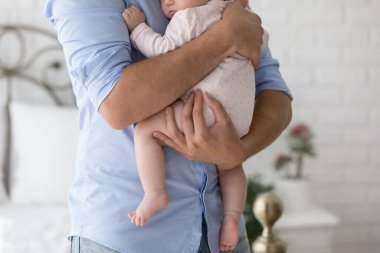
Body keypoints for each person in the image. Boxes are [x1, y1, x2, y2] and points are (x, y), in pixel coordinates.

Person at [44, 0, 292, 252]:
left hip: (221, 238)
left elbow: (274, 92)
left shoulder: (226, 5)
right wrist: (225, 37)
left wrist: (239, 151)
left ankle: (162, 195)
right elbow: (118, 106)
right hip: (128, 238)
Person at [122, 1, 268, 250]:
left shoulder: (187, 18)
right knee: (230, 163)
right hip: (242, 117)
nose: (167, 2)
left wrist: (138, 28)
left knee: (145, 130)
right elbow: (260, 40)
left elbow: (162, 49)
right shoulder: (237, 15)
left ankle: (155, 193)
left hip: (206, 109)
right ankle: (232, 216)